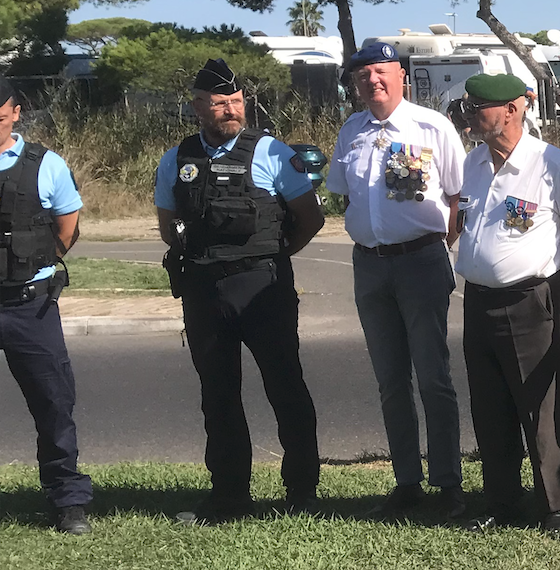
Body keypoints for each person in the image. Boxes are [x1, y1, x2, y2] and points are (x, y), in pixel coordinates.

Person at [155, 59, 325, 524]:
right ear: (197, 107)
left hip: (261, 286)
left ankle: (302, 491)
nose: (231, 110)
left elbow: (310, 219)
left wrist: (275, 253)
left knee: (285, 386)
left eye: (236, 101)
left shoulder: (272, 152)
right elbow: (168, 225)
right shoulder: (177, 159)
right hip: (204, 289)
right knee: (218, 394)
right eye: (220, 103)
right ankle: (229, 495)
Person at [329, 39, 468, 520]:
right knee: (390, 380)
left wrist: (438, 247)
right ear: (356, 83)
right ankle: (407, 482)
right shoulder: (351, 131)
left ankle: (448, 483)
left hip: (420, 261)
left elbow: (458, 196)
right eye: (363, 75)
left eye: (381, 72)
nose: (373, 81)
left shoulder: (432, 126)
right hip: (370, 265)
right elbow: (344, 195)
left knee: (433, 377)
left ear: (401, 77)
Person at [454, 73, 560, 536]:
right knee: (489, 407)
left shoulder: (548, 163)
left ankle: (556, 505)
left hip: (529, 299)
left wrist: (555, 286)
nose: (470, 114)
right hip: (478, 300)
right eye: (469, 106)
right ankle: (501, 501)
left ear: (512, 110)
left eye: (478, 107)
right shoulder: (473, 162)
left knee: (539, 406)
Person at [0, 78, 93, 534]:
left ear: (16, 113)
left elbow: (66, 227)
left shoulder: (46, 164)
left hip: (28, 306)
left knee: (54, 405)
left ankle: (67, 500)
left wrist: (32, 263)